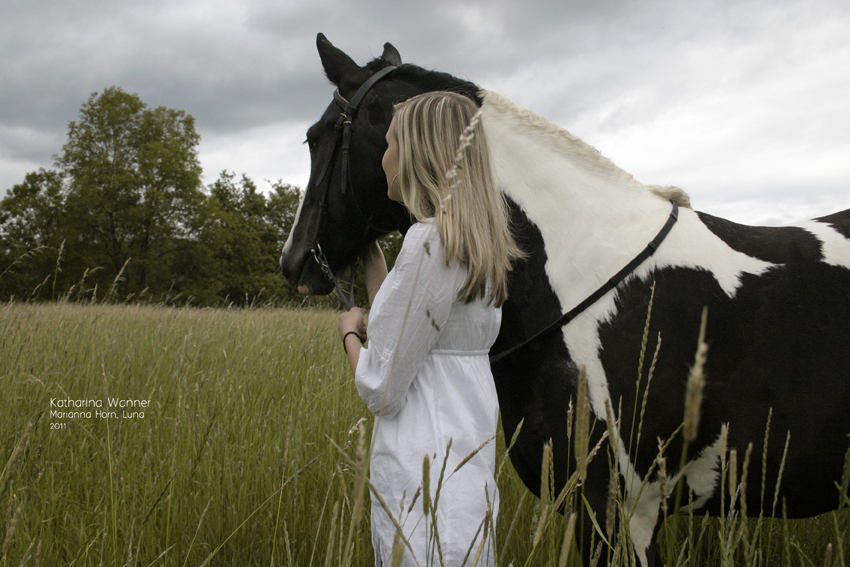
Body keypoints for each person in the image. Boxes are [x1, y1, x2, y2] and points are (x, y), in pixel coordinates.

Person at [337, 91, 523, 567]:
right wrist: (376, 264)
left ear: (417, 153)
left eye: (390, 142)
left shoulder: (427, 242)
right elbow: (418, 332)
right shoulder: (474, 245)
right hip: (463, 485)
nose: (383, 156)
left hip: (423, 485)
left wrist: (350, 335)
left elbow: (382, 387)